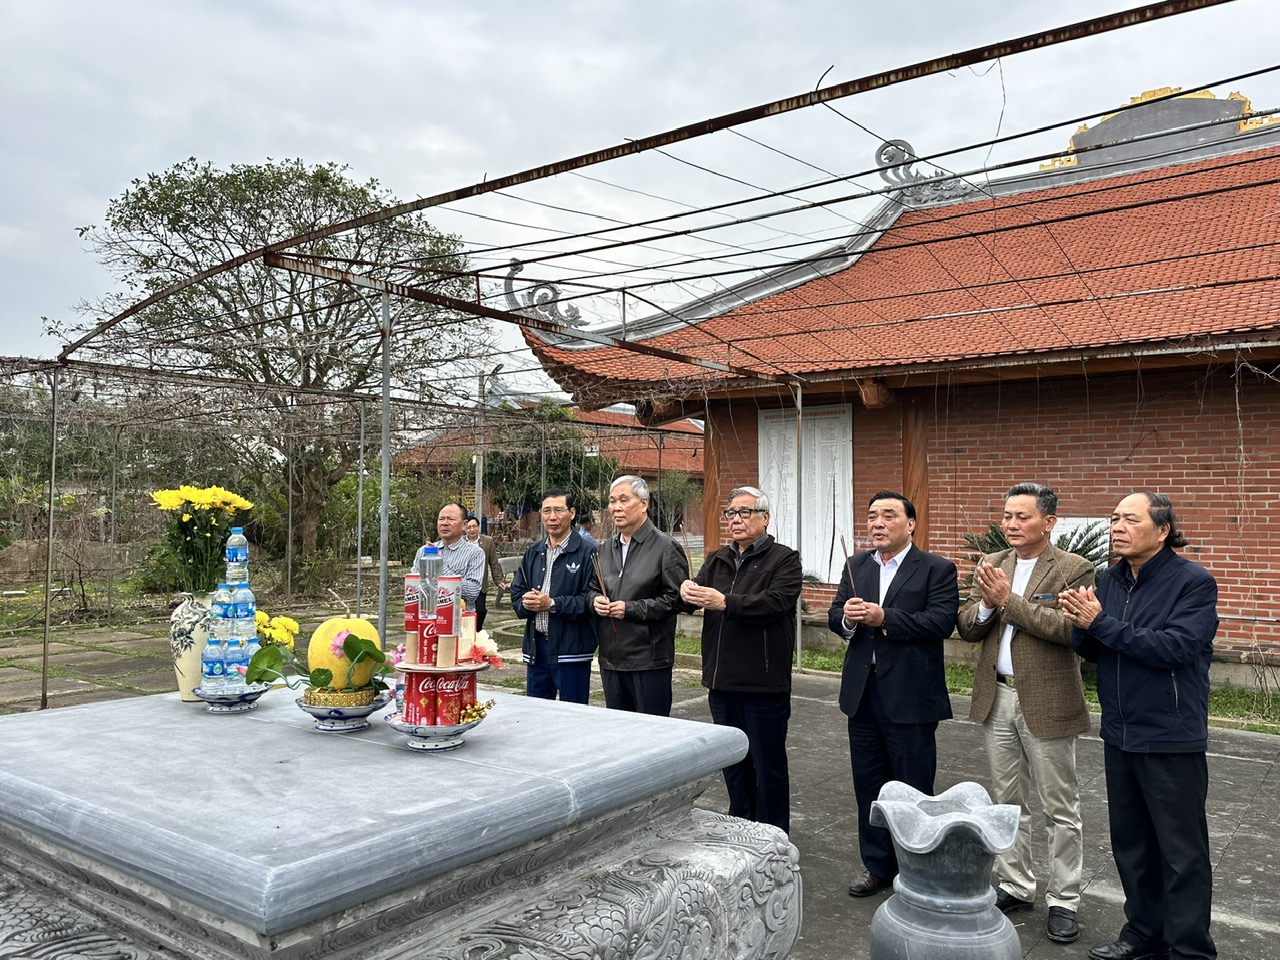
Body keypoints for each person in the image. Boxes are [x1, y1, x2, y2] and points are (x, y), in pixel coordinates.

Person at [1063, 493, 1218, 960]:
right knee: (1131, 845)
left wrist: (1100, 623)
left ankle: (1189, 949)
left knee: (1182, 853)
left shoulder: (1192, 582)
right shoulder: (1110, 579)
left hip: (1170, 735)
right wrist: (1081, 624)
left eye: (1130, 519)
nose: (1117, 527)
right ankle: (1143, 934)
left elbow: (1175, 648)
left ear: (1163, 530)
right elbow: (1095, 648)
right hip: (1120, 731)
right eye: (1114, 519)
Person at [956, 482, 1094, 944]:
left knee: (1060, 807)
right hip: (997, 697)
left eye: (1022, 516)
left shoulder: (1074, 568)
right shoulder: (993, 562)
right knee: (1007, 802)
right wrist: (984, 606)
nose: (1011, 524)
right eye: (1007, 516)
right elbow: (967, 626)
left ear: (1048, 522)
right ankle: (1016, 884)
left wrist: (1007, 602)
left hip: (1048, 700)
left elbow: (1069, 629)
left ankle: (1064, 899)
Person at [829, 490, 959, 898]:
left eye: (888, 515)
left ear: (911, 524)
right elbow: (835, 614)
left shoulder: (936, 568)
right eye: (872, 516)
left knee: (913, 789)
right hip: (862, 694)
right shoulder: (856, 565)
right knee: (868, 787)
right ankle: (876, 866)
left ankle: (916, 869)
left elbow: (940, 621)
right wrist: (848, 620)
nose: (878, 523)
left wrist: (885, 617)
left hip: (910, 696)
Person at [679, 485, 802, 832]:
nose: (736, 519)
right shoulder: (717, 558)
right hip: (721, 681)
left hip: (762, 682)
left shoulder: (784, 559)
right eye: (731, 513)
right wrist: (686, 591)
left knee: (768, 766)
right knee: (733, 764)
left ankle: (773, 836)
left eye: (744, 512)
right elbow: (692, 600)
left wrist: (725, 602)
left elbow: (776, 602)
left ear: (765, 518)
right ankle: (739, 830)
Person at [588, 475, 689, 716]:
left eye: (624, 500)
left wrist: (630, 609)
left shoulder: (666, 547)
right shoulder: (605, 548)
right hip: (611, 658)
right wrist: (595, 601)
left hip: (648, 659)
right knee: (620, 730)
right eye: (612, 501)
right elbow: (592, 588)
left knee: (652, 731)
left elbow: (677, 599)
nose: (616, 507)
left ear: (644, 504)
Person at [510, 489, 598, 703]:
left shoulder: (588, 552)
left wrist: (552, 604)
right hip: (537, 648)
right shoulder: (533, 552)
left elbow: (590, 600)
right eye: (546, 511)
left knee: (573, 713)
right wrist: (526, 602)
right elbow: (517, 591)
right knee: (537, 712)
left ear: (572, 513)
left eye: (558, 510)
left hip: (571, 648)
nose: (552, 517)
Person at [414, 502, 485, 617]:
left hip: (458, 618)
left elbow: (472, 592)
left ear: (464, 525)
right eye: (441, 519)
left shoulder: (475, 553)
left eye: (450, 519)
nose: (444, 523)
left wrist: (438, 564)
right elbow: (414, 586)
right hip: (427, 617)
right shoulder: (424, 551)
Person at [464, 513, 506, 628]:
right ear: (465, 528)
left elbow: (493, 562)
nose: (472, 529)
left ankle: (477, 630)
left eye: (474, 526)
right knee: (465, 611)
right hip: (464, 582)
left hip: (480, 583)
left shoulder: (487, 541)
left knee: (480, 610)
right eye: (469, 527)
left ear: (478, 527)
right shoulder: (461, 542)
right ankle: (467, 632)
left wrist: (498, 580)